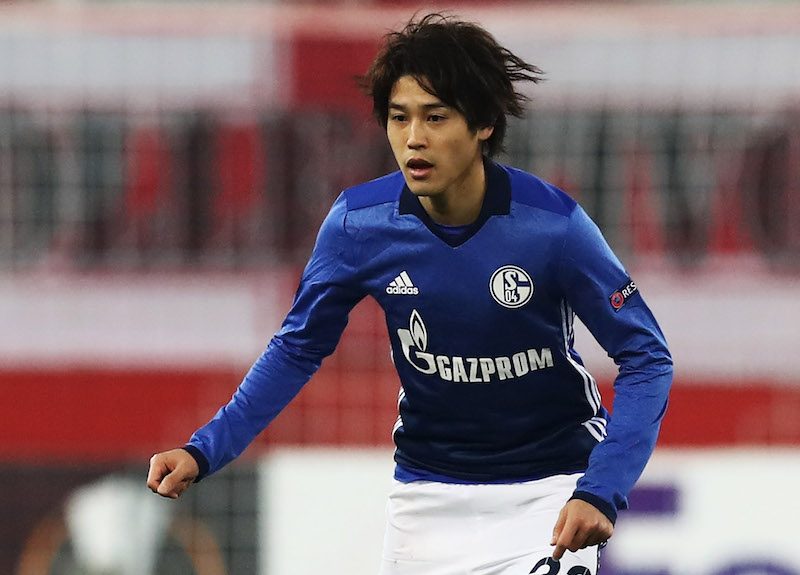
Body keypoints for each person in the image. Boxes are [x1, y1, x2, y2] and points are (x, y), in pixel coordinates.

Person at [147, 13, 672, 575]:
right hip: (427, 503)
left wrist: (601, 488)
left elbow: (646, 356)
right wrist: (204, 449)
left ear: (484, 124)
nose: (414, 138)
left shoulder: (554, 226)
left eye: (436, 117)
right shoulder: (358, 224)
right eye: (400, 117)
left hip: (551, 492)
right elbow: (298, 347)